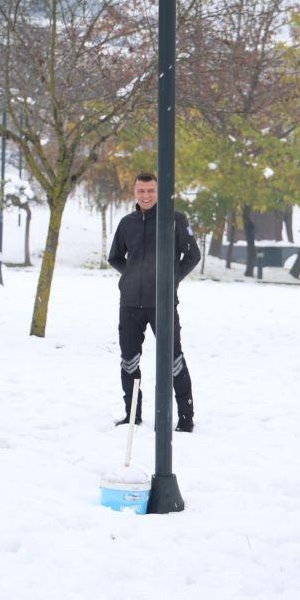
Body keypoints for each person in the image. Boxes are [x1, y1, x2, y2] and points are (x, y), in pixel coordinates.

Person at [108, 172, 201, 431]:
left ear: (158, 192)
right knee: (129, 360)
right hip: (129, 305)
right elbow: (114, 257)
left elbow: (193, 255)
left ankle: (185, 419)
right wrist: (131, 275)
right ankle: (132, 415)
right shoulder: (127, 223)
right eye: (141, 191)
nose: (146, 195)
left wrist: (170, 280)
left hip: (162, 305)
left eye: (150, 191)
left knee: (174, 360)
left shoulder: (175, 220)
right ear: (135, 192)